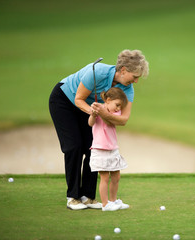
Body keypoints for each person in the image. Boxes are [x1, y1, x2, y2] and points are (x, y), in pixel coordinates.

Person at [49, 50, 149, 210]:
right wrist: (96, 112)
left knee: (92, 147)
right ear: (123, 70)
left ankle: (87, 197)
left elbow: (123, 120)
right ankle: (72, 197)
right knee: (74, 146)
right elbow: (78, 99)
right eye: (135, 76)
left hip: (90, 108)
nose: (136, 81)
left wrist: (101, 113)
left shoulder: (127, 89)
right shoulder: (97, 72)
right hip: (64, 101)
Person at [89, 87, 129, 211]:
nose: (118, 109)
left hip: (112, 148)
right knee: (105, 177)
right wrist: (93, 114)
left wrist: (101, 112)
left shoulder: (114, 113)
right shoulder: (97, 108)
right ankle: (105, 204)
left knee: (116, 176)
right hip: (100, 149)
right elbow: (90, 123)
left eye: (120, 107)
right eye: (117, 105)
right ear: (108, 100)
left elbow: (108, 122)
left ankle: (113, 201)